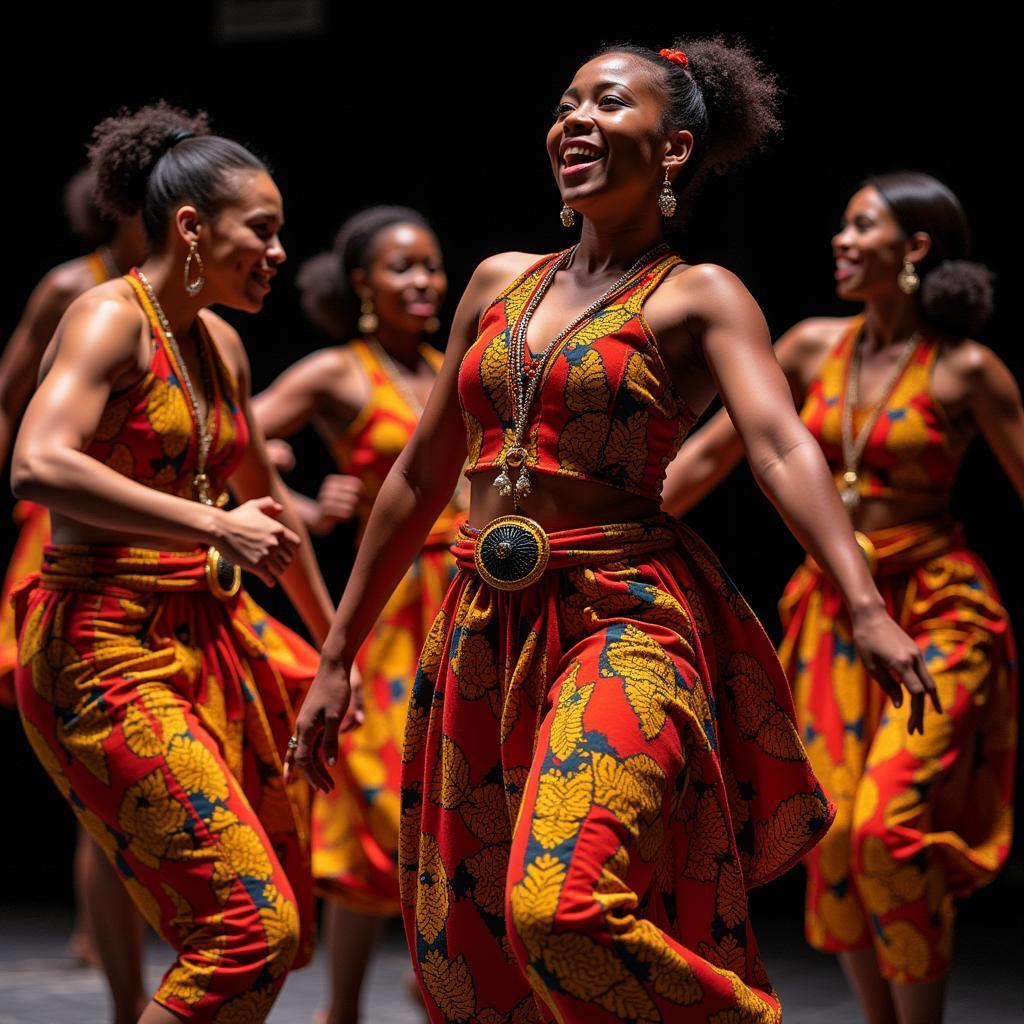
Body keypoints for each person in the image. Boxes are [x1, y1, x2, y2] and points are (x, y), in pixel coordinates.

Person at [291, 39, 940, 1023]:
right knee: (482, 953)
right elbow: (420, 475)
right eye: (564, 105)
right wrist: (337, 653)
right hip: (481, 629)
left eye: (606, 102)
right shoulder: (497, 280)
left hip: (624, 618)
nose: (574, 120)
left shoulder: (700, 294)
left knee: (556, 907)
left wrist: (863, 605)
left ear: (674, 149)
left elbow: (777, 449)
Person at [661, 171, 1019, 1024]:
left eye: (862, 227)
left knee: (885, 833)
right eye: (843, 226)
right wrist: (593, 517)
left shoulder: (968, 369)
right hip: (830, 616)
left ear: (916, 248)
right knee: (831, 838)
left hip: (937, 611)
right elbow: (710, 458)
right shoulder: (814, 346)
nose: (841, 241)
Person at [12, 104, 334, 1024]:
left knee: (259, 943)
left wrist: (336, 652)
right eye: (262, 232)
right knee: (247, 928)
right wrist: (208, 523)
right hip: (98, 649)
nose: (278, 253)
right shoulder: (108, 318)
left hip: (203, 635)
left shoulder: (220, 343)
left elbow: (273, 515)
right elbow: (36, 462)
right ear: (191, 227)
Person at [254, 205, 459, 1024]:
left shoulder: (453, 365)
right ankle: (340, 1008)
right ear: (364, 285)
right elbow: (233, 439)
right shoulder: (340, 372)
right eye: (403, 268)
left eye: (432, 265)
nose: (424, 281)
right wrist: (307, 501)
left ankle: (435, 976)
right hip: (392, 608)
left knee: (455, 806)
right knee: (379, 805)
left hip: (469, 598)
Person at [0, 135, 181, 1023]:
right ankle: (117, 982)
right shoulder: (82, 295)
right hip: (70, 538)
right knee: (95, 775)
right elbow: (14, 408)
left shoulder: (195, 317)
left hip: (164, 551)